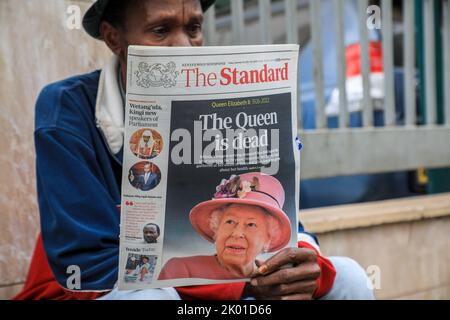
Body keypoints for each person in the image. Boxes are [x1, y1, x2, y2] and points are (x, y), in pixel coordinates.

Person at [15, 0, 374, 300]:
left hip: (221, 284)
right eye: (160, 30)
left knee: (349, 278)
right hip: (99, 290)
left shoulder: (227, 103)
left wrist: (302, 262)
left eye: (193, 29)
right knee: (152, 297)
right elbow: (89, 265)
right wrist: (242, 281)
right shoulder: (67, 108)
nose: (184, 48)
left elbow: (284, 224)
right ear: (113, 38)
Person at [159, 173, 292, 280]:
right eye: (230, 222)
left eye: (251, 224)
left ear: (268, 238)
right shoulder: (182, 268)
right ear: (216, 228)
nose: (237, 233)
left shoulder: (275, 276)